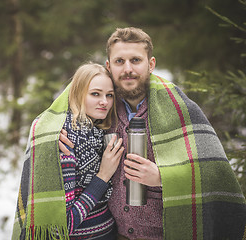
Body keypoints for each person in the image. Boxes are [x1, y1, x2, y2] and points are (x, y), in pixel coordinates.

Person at [60, 27, 246, 240]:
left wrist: (162, 178)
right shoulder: (103, 108)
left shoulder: (181, 109)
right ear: (109, 66)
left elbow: (214, 175)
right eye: (120, 61)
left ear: (151, 64)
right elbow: (57, 114)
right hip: (115, 234)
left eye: (136, 60)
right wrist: (53, 134)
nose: (127, 69)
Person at [12, 63, 125, 239]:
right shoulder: (66, 140)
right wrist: (103, 176)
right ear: (78, 94)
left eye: (109, 95)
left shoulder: (99, 131)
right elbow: (63, 225)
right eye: (95, 94)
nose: (104, 101)